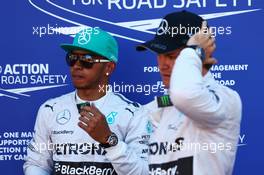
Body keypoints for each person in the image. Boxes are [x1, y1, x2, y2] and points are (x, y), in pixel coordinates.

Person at [24, 27, 149, 175]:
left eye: (87, 60)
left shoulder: (134, 114)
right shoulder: (50, 109)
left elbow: (144, 171)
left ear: (109, 67)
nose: (77, 65)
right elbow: (36, 163)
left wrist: (108, 139)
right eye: (72, 58)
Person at [136, 10, 242, 175]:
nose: (162, 64)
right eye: (159, 55)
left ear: (198, 53)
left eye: (171, 56)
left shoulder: (225, 99)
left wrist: (194, 52)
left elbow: (185, 95)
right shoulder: (156, 110)